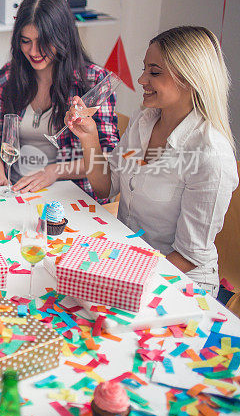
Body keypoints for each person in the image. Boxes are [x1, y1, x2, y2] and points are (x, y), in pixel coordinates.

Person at [68, 26, 238, 296]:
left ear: (190, 79)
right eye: (144, 69)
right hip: (128, 261)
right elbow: (105, 187)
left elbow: (188, 256)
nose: (141, 79)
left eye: (154, 72)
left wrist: (125, 280)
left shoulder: (210, 155)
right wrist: (89, 137)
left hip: (177, 283)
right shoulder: (143, 121)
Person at [0, 0, 120, 199]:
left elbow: (107, 156)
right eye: (25, 41)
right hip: (17, 191)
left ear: (63, 36)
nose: (34, 52)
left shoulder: (93, 81)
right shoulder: (7, 77)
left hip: (72, 196)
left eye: (43, 41)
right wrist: (1, 179)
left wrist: (54, 171)